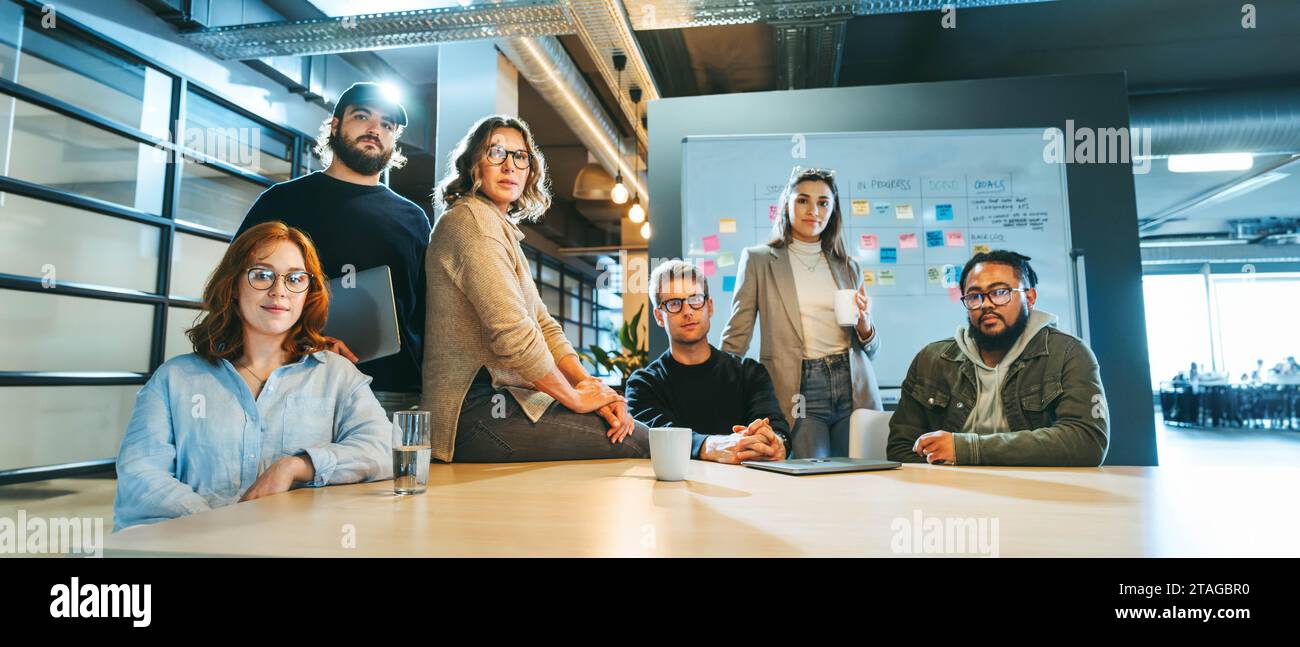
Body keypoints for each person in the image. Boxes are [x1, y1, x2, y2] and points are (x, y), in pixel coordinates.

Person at [113, 222, 392, 530]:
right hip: (196, 546)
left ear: (307, 292)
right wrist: (221, 526)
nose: (279, 291)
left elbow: (383, 449)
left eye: (295, 278)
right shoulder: (175, 379)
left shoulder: (337, 375)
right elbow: (140, 476)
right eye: (262, 275)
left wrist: (296, 465)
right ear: (233, 286)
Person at [421, 115, 647, 462]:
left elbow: (542, 324)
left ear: (530, 170)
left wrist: (590, 385)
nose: (510, 165)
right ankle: (710, 446)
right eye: (496, 153)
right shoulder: (472, 222)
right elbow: (513, 335)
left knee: (629, 430)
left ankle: (710, 445)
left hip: (502, 400)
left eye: (520, 156)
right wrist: (575, 398)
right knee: (632, 441)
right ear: (472, 165)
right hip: (472, 411)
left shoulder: (499, 228)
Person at [236, 82, 431, 419]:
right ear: (336, 125)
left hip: (389, 393)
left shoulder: (413, 218)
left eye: (387, 125)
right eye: (362, 116)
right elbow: (238, 287)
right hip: (295, 382)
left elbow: (425, 313)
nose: (375, 129)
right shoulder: (281, 201)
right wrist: (304, 340)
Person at [887, 250, 1109, 466]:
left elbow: (1087, 441)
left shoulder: (1068, 354)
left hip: (1038, 492)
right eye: (974, 296)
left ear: (1030, 297)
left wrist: (967, 449)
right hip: (952, 492)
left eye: (1000, 292)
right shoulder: (932, 360)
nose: (986, 304)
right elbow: (900, 448)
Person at [721, 166, 881, 458]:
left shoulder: (848, 266)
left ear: (833, 210)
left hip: (853, 387)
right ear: (787, 204)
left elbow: (870, 350)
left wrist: (865, 326)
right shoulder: (758, 260)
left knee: (859, 481)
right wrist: (719, 385)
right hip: (799, 389)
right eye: (802, 200)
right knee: (811, 479)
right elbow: (737, 334)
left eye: (823, 203)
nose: (813, 211)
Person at [626, 261, 790, 464]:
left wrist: (775, 442)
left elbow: (774, 423)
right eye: (674, 303)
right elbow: (657, 437)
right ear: (659, 316)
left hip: (749, 489)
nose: (688, 311)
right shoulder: (644, 384)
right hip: (676, 490)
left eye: (695, 299)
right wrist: (712, 446)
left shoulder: (750, 373)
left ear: (709, 306)